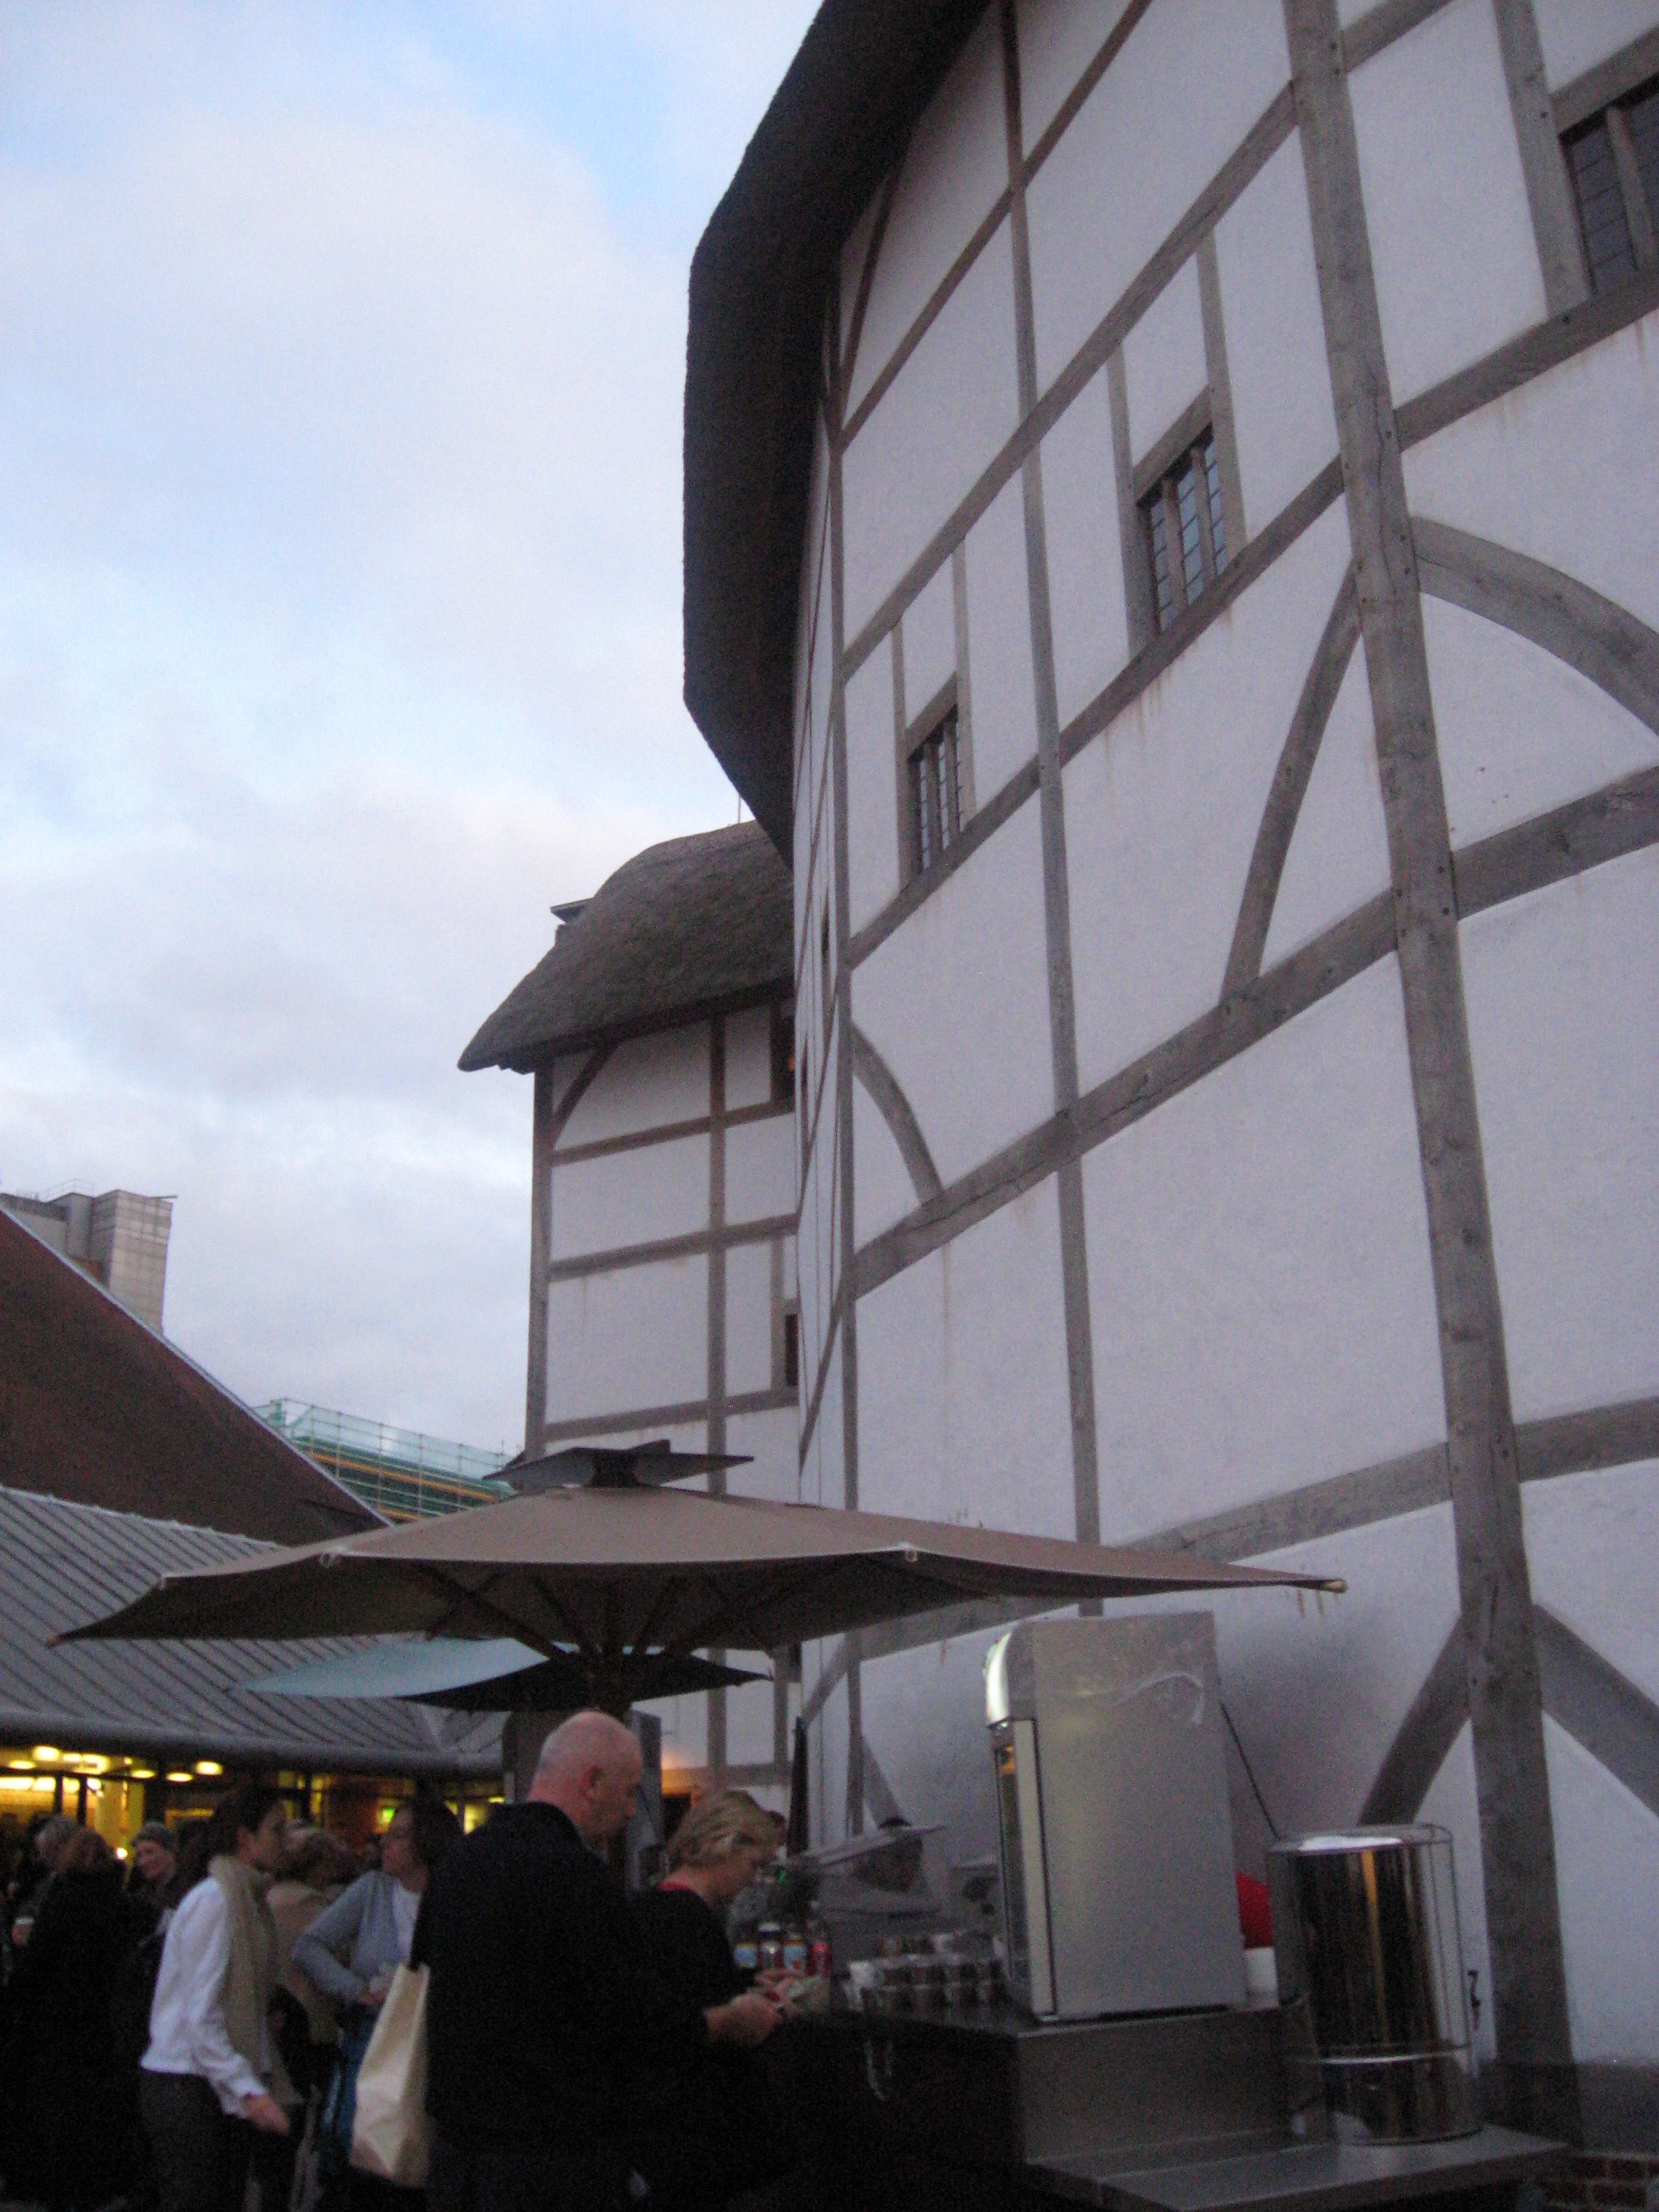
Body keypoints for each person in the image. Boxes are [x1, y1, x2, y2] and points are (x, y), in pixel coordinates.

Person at [417, 1711, 781, 2212]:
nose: (632, 1811)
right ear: (592, 1783)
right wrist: (731, 2019)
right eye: (629, 1792)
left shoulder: (459, 1863)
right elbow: (637, 2022)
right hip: (548, 2168)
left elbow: (429, 1975)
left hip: (456, 2167)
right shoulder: (576, 1877)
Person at [630, 1791, 796, 2212]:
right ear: (726, 1845)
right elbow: (699, 2019)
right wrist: (766, 2010)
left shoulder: (654, 1906)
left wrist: (747, 1981)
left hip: (657, 2137)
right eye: (753, 1865)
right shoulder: (688, 1918)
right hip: (687, 2134)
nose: (752, 1880)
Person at [293, 1792, 460, 2199]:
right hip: (374, 2041)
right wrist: (356, 1990)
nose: (386, 1843)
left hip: (433, 2044)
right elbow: (309, 1946)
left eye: (399, 1836)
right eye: (389, 1834)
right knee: (368, 2149)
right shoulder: (373, 1891)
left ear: (427, 1842)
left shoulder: (454, 1897)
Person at [140, 1781, 295, 2212]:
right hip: (188, 2086)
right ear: (245, 1838)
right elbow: (201, 2015)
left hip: (205, 2084)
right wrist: (249, 2090)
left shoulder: (245, 1899)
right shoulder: (218, 1901)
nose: (286, 1839)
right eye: (277, 1829)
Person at [1, 1827, 150, 2211]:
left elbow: (38, 1963)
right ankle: (90, 2187)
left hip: (58, 2021)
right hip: (103, 2021)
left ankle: (57, 2187)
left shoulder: (64, 1900)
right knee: (92, 2110)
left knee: (58, 2111)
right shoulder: (121, 1904)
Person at [127, 1821, 181, 1923]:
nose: (143, 1862)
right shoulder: (142, 1896)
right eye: (139, 1855)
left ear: (171, 1852)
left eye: (150, 1852)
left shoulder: (188, 1891)